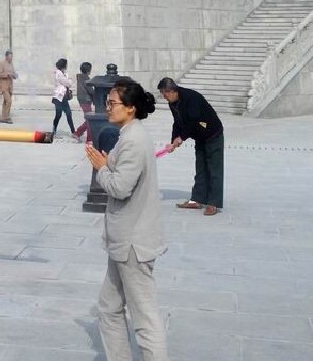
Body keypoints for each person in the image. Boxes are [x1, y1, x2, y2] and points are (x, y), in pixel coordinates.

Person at [86, 79, 168, 361]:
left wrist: (101, 169)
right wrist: (109, 163)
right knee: (109, 307)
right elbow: (125, 174)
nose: (107, 108)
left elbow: (121, 188)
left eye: (113, 103)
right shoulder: (130, 135)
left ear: (130, 108)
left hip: (133, 243)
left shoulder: (133, 140)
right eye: (107, 102)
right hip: (123, 241)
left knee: (144, 318)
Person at [157, 77, 224, 216]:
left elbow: (193, 121)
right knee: (200, 168)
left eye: (165, 94)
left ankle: (213, 203)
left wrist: (181, 138)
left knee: (214, 169)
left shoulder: (191, 98)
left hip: (212, 134)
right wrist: (173, 140)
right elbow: (177, 123)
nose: (164, 97)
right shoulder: (173, 103)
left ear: (172, 91)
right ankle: (197, 200)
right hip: (199, 136)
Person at [52, 58, 82, 141]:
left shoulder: (63, 73)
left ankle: (73, 132)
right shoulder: (59, 74)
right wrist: (69, 80)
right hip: (58, 97)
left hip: (63, 98)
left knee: (69, 114)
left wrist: (68, 79)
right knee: (58, 115)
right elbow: (68, 83)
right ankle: (54, 132)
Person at [0, 50, 18, 123]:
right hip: (3, 85)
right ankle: (6, 117)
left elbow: (13, 73)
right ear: (6, 56)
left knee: (6, 101)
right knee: (9, 101)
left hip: (10, 86)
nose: (11, 58)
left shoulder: (11, 64)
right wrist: (7, 75)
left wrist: (15, 75)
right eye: (10, 56)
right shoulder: (1, 64)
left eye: (12, 56)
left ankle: (3, 117)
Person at [75, 61, 94, 140]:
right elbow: (90, 90)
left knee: (89, 119)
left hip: (82, 100)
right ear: (88, 70)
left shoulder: (80, 78)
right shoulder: (86, 79)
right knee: (89, 119)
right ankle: (88, 138)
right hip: (85, 100)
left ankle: (78, 133)